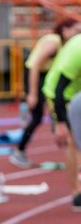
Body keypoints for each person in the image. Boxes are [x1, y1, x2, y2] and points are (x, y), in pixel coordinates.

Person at [10, 19, 81, 168]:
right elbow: (34, 66)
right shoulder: (54, 42)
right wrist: (32, 94)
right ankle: (19, 151)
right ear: (65, 30)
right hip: (34, 76)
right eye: (75, 30)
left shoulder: (66, 45)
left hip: (45, 77)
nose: (77, 34)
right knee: (36, 117)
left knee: (40, 118)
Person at [42, 33, 81, 210]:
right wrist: (60, 123)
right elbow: (58, 90)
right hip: (61, 96)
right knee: (71, 143)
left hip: (76, 95)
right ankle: (76, 193)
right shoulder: (78, 50)